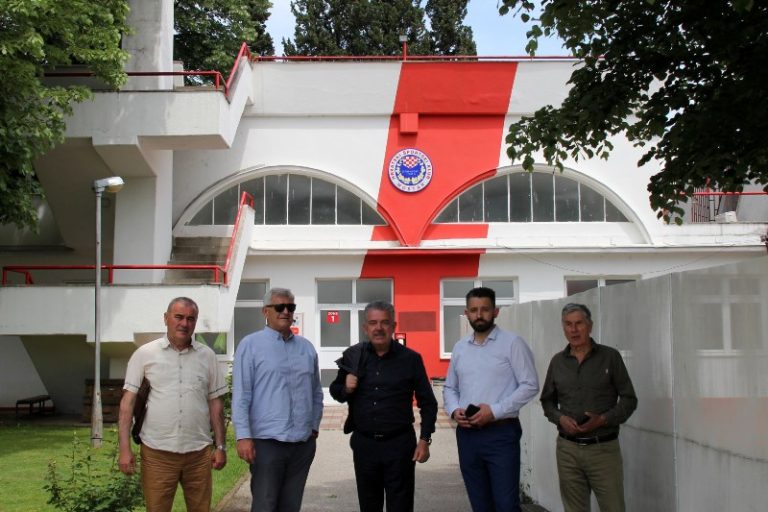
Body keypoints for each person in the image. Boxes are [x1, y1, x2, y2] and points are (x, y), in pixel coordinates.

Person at [118, 297, 227, 512]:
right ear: (166, 318)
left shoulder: (207, 357)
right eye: (178, 317)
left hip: (199, 454)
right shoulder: (145, 354)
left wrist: (221, 447)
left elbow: (216, 405)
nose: (184, 323)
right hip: (157, 453)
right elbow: (127, 405)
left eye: (190, 319)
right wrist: (124, 450)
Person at [330, 300, 437, 512]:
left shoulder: (411, 359)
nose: (378, 328)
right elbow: (335, 390)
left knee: (401, 506)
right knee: (369, 506)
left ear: (393, 326)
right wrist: (346, 389)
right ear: (365, 328)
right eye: (373, 323)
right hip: (365, 445)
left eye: (384, 322)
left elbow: (428, 402)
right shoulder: (353, 356)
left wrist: (424, 439)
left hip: (400, 445)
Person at [443, 287, 539, 512]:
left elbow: (530, 385)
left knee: (506, 505)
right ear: (466, 313)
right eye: (474, 310)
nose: (479, 315)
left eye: (485, 309)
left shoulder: (512, 343)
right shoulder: (459, 348)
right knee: (480, 504)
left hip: (501, 434)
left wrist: (494, 411)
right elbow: (450, 387)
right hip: (467, 436)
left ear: (495, 312)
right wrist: (455, 410)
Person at [232, 287, 323, 512]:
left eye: (290, 307)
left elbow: (316, 393)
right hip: (266, 444)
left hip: (301, 443)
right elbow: (242, 394)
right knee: (265, 505)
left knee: (291, 506)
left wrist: (313, 426)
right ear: (265, 311)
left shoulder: (306, 348)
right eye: (279, 307)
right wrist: (243, 436)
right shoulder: (250, 345)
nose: (285, 311)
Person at [540, 303, 638, 512]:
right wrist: (560, 419)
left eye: (579, 324)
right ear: (563, 327)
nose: (574, 330)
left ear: (590, 326)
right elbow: (547, 401)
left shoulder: (610, 357)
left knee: (614, 507)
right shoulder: (557, 362)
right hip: (568, 450)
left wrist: (603, 419)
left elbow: (629, 400)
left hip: (603, 449)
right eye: (568, 324)